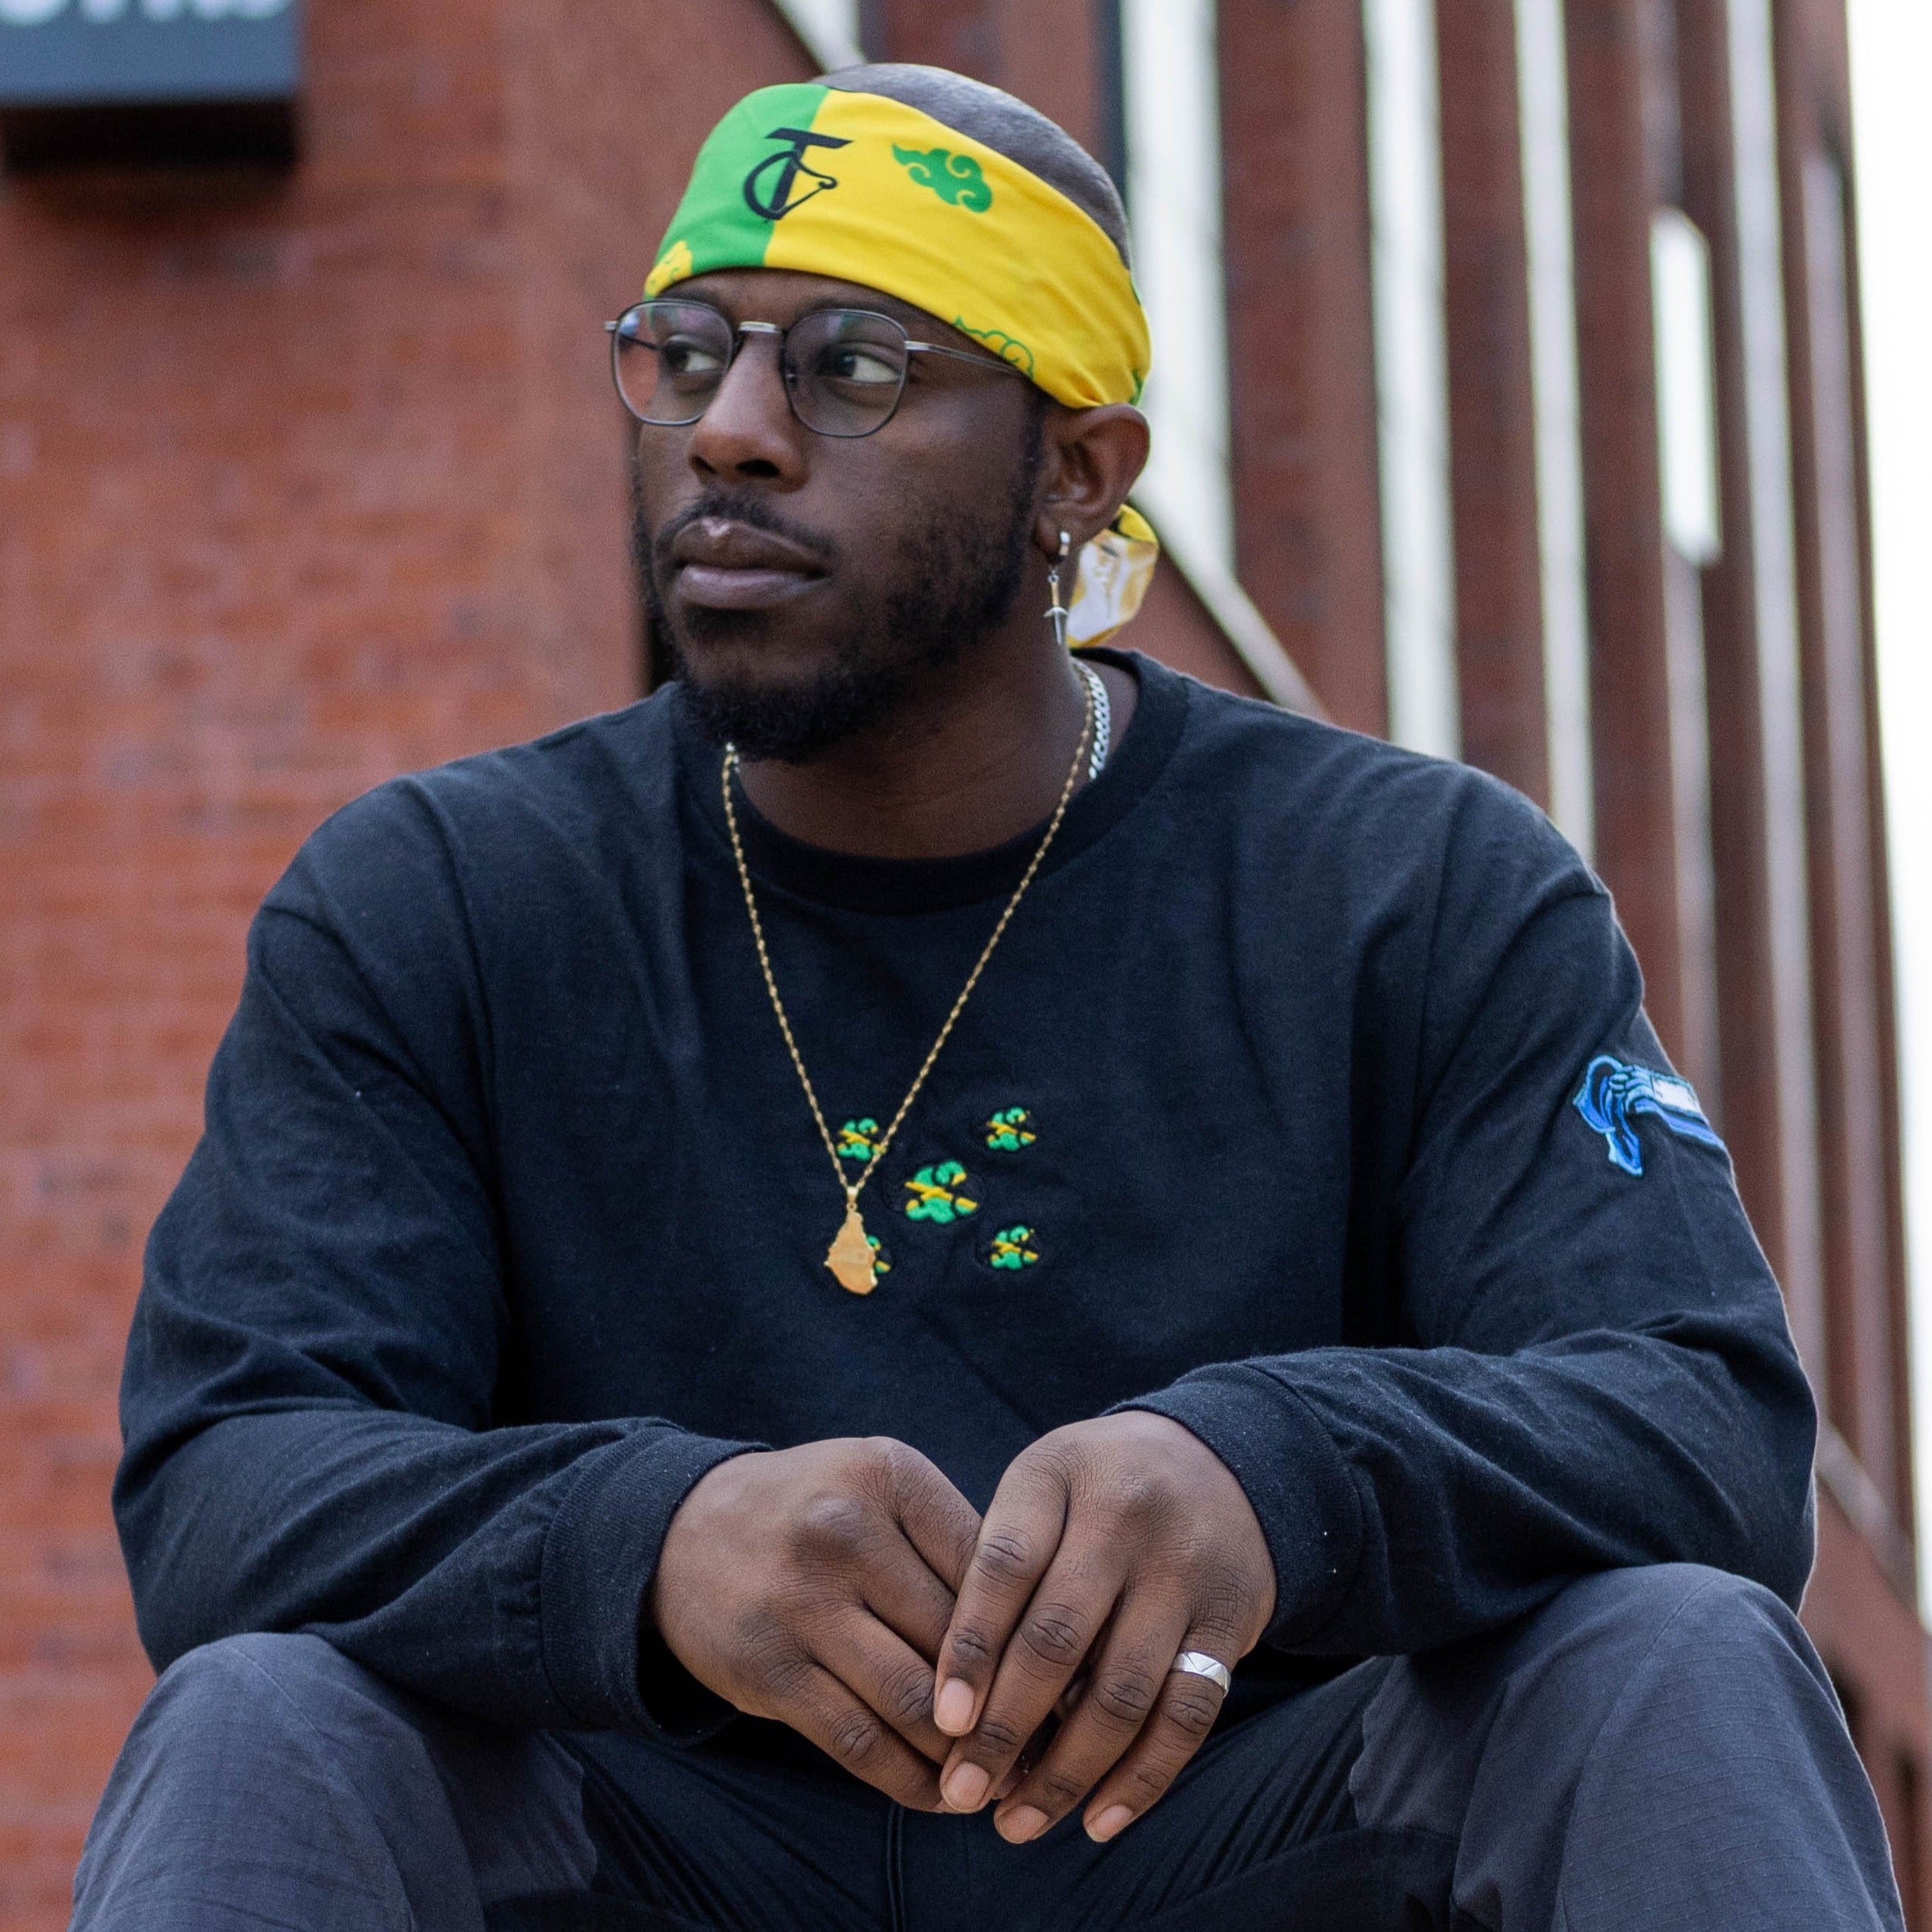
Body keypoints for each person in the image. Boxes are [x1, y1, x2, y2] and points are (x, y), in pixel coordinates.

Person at [70, 62, 1904, 1932]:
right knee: (267, 1711)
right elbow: (230, 1477)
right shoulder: (439, 900)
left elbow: (1703, 1426)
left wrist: (1273, 1478)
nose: (735, 431)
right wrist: (646, 1544)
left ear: (1076, 475)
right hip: (655, 1857)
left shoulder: (1411, 888)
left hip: (1236, 1842)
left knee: (1663, 1653)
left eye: (852, 369)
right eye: (686, 353)